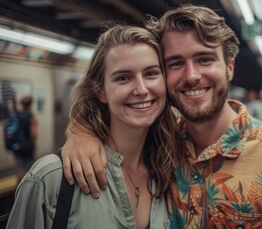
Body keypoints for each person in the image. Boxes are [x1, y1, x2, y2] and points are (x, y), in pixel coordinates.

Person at [61, 5, 262, 228]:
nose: (191, 76)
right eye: (176, 63)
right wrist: (81, 130)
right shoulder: (161, 144)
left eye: (205, 59)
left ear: (229, 67)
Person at [6, 24, 178, 229]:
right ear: (100, 91)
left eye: (151, 74)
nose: (141, 89)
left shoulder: (170, 168)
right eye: (123, 78)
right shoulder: (51, 178)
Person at [5, 96, 37, 184]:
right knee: (29, 169)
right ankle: (25, 189)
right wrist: (33, 146)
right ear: (30, 104)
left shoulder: (16, 115)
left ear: (21, 103)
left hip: (17, 146)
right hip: (27, 147)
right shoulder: (31, 116)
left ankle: (18, 188)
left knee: (20, 168)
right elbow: (33, 134)